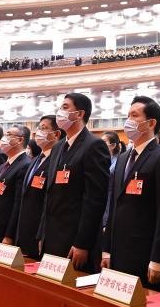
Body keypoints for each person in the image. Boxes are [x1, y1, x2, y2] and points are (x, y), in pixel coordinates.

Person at [103, 96, 160, 290]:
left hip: (144, 252)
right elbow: (114, 204)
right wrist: (107, 249)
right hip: (118, 250)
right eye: (128, 115)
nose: (128, 120)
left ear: (151, 123)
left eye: (134, 116)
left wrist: (159, 258)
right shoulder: (123, 157)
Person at [38, 92, 108, 271]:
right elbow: (50, 193)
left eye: (65, 107)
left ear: (80, 114)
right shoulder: (58, 146)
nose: (60, 112)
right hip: (52, 235)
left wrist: (82, 243)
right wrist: (42, 234)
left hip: (74, 240)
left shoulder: (94, 145)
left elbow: (95, 199)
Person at [14, 116, 62, 259]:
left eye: (44, 128)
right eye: (38, 128)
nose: (38, 132)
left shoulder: (58, 160)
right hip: (24, 230)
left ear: (56, 134)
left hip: (40, 233)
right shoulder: (35, 160)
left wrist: (42, 233)